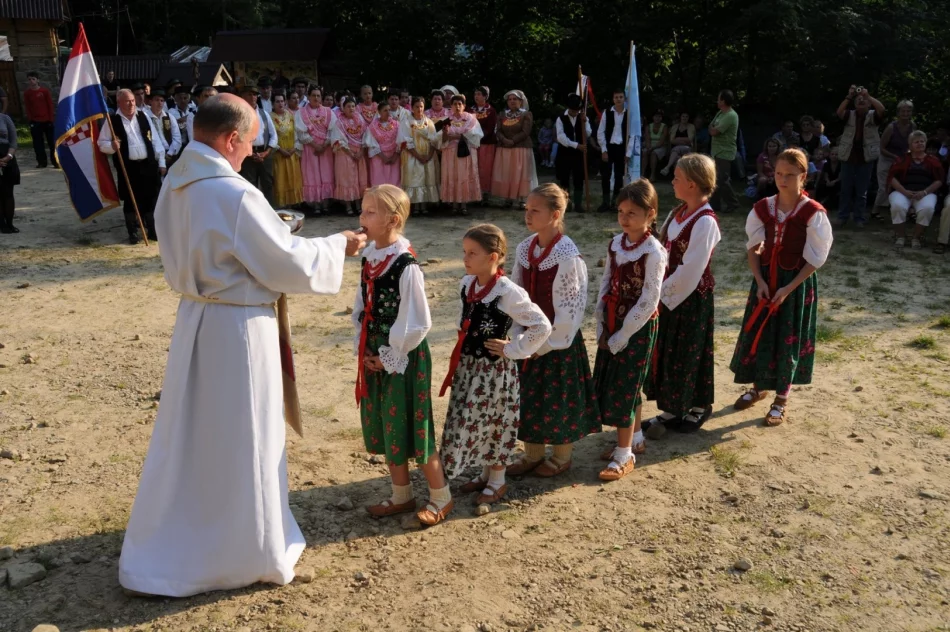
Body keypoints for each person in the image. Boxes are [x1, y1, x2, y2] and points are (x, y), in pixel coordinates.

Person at [118, 94, 366, 598]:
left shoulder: (176, 180)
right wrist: (337, 244)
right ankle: (247, 553)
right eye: (250, 143)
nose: (250, 153)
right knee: (245, 437)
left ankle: (180, 536)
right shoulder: (233, 194)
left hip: (196, 316)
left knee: (196, 436)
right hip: (238, 328)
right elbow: (286, 265)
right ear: (231, 138)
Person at [353, 184, 453, 526]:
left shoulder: (406, 265)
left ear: (392, 220)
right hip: (376, 350)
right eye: (363, 210)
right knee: (386, 420)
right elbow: (361, 307)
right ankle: (401, 494)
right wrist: (364, 347)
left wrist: (390, 355)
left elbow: (417, 321)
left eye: (370, 212)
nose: (361, 217)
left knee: (413, 423)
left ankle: (441, 496)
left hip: (403, 356)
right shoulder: (370, 257)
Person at [441, 224, 551, 503]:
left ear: (493, 257)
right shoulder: (467, 284)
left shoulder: (508, 292)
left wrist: (514, 348)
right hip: (470, 369)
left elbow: (541, 325)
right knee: (474, 420)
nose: (465, 259)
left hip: (495, 373)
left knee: (495, 422)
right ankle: (484, 473)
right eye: (464, 252)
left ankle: (498, 480)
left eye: (472, 253)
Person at [731, 148, 833, 426]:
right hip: (765, 281)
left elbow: (816, 258)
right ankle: (758, 387)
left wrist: (789, 289)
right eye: (778, 173)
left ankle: (782, 397)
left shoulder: (813, 213)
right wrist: (760, 281)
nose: (783, 179)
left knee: (787, 337)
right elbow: (753, 247)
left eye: (790, 174)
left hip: (794, 284)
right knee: (761, 335)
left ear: (804, 176)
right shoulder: (763, 208)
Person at [505, 184, 600, 478]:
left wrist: (543, 344)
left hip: (558, 342)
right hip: (529, 337)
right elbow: (515, 295)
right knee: (530, 397)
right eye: (527, 209)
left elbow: (570, 312)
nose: (528, 215)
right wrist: (519, 334)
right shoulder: (525, 248)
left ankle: (562, 456)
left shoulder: (567, 256)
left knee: (559, 397)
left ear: (555, 214)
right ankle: (533, 453)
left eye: (535, 210)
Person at [593, 179, 666, 479]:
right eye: (621, 211)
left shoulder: (654, 251)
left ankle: (624, 455)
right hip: (613, 322)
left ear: (650, 214)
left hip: (636, 327)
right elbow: (606, 283)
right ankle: (635, 438)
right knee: (620, 382)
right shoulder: (615, 244)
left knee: (626, 386)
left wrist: (624, 333)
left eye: (632, 212)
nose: (624, 218)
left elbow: (649, 298)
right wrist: (600, 320)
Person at [644, 154, 720, 433]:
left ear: (691, 183)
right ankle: (673, 408)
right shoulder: (678, 212)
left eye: (677, 177)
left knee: (691, 352)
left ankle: (699, 406)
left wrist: (659, 296)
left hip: (689, 299)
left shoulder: (705, 221)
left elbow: (692, 270)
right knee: (672, 352)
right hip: (669, 295)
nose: (672, 181)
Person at [98, 89, 166, 244]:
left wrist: (161, 162)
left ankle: (152, 230)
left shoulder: (144, 117)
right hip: (128, 168)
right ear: (119, 103)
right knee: (130, 200)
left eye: (133, 101)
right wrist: (112, 146)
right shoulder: (112, 121)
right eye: (127, 101)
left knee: (151, 198)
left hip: (148, 165)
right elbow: (101, 144)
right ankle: (133, 232)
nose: (131, 104)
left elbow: (155, 141)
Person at [835, 85, 885, 228]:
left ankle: (859, 218)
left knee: (862, 191)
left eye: (864, 100)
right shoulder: (849, 115)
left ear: (869, 103)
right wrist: (849, 95)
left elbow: (881, 109)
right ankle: (842, 217)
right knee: (845, 189)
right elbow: (839, 112)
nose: (861, 101)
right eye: (858, 100)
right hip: (848, 156)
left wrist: (868, 95)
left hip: (866, 157)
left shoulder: (873, 116)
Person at [887, 130, 944, 249]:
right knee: (897, 205)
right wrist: (904, 192)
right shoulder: (901, 159)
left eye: (922, 141)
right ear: (910, 145)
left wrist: (924, 192)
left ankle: (916, 238)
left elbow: (939, 180)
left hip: (925, 192)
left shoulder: (933, 161)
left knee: (927, 208)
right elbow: (892, 178)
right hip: (903, 191)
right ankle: (901, 236)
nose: (920, 144)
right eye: (916, 142)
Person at [491, 89, 537, 209]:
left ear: (521, 101)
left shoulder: (526, 114)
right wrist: (504, 140)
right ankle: (508, 198)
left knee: (521, 173)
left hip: (521, 148)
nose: (512, 101)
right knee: (507, 173)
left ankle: (522, 199)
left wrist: (513, 140)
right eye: (510, 99)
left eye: (515, 99)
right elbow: (498, 130)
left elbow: (526, 131)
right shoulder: (502, 114)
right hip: (505, 148)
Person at [438, 94, 483, 215]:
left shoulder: (470, 118)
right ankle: (453, 204)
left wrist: (455, 136)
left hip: (465, 152)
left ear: (464, 106)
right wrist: (446, 134)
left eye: (460, 104)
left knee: (464, 176)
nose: (457, 106)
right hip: (450, 152)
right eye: (454, 104)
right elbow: (439, 137)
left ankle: (464, 204)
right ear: (451, 106)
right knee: (452, 176)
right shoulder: (446, 119)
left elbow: (474, 135)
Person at [295, 85, 335, 214]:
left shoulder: (328, 112)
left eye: (318, 96)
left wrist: (324, 145)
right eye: (313, 95)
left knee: (326, 174)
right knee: (312, 175)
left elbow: (333, 130)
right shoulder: (301, 112)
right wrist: (315, 145)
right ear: (309, 96)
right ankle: (316, 205)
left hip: (326, 149)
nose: (316, 98)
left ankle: (326, 204)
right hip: (310, 149)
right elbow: (301, 133)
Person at [397, 96, 440, 215]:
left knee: (427, 177)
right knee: (414, 179)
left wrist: (429, 155)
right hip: (412, 155)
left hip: (427, 154)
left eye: (421, 106)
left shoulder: (429, 122)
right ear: (412, 107)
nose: (419, 109)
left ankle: (424, 205)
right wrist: (418, 156)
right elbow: (405, 142)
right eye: (417, 107)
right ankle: (415, 206)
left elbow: (434, 140)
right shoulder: (406, 122)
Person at [873, 100, 916, 219]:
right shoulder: (891, 127)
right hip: (887, 158)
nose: (906, 114)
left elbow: (912, 144)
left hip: (902, 160)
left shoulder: (912, 126)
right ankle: (875, 210)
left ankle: (909, 210)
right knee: (883, 186)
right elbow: (881, 148)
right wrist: (894, 157)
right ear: (898, 113)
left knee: (906, 184)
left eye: (908, 111)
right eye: (903, 111)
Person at [238, 85, 278, 205]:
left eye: (254, 94)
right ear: (242, 97)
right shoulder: (238, 115)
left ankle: (271, 213)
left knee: (268, 184)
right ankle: (253, 214)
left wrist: (266, 153)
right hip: (247, 155)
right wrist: (249, 153)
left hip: (264, 153)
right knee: (249, 186)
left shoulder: (264, 114)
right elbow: (237, 137)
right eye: (249, 94)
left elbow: (273, 135)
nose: (252, 97)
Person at [330, 96, 369, 216]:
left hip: (359, 153)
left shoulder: (361, 120)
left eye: (353, 106)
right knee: (347, 179)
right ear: (343, 108)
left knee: (359, 178)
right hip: (345, 153)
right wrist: (351, 153)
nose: (351, 108)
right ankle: (348, 206)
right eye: (348, 106)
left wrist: (361, 151)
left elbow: (366, 136)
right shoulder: (339, 122)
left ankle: (358, 204)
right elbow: (338, 140)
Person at [555, 93, 591, 212]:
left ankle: (578, 204)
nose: (575, 113)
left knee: (579, 177)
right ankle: (565, 203)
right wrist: (576, 145)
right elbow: (561, 137)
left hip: (580, 153)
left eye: (577, 110)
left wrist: (585, 122)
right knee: (564, 178)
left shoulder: (583, 117)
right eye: (573, 110)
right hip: (565, 151)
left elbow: (588, 133)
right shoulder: (561, 118)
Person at [597, 89, 629, 211]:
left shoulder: (628, 114)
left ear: (624, 99)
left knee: (619, 176)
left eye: (621, 97)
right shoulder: (607, 113)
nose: (618, 99)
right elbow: (600, 132)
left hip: (621, 148)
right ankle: (605, 202)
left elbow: (632, 134)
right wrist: (604, 150)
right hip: (609, 147)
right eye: (616, 97)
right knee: (606, 175)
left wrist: (628, 152)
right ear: (613, 99)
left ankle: (616, 203)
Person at [708, 90, 739, 214]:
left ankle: (733, 203)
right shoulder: (720, 113)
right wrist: (712, 129)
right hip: (716, 151)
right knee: (715, 179)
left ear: (724, 101)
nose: (717, 101)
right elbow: (711, 127)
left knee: (723, 179)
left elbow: (714, 131)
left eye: (719, 99)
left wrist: (713, 130)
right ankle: (715, 205)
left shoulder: (731, 115)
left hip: (725, 151)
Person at [270, 93, 303, 207]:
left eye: (282, 101)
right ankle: (281, 207)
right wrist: (280, 149)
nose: (280, 104)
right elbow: (270, 136)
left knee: (292, 179)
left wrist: (294, 148)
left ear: (285, 102)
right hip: (279, 154)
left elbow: (297, 134)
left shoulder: (290, 116)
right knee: (280, 180)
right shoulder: (270, 117)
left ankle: (292, 206)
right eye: (277, 101)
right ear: (273, 104)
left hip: (291, 152)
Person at [23, 71, 57, 169]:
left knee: (52, 143)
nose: (31, 81)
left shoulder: (44, 91)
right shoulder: (27, 93)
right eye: (29, 79)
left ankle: (55, 161)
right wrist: (30, 120)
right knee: (38, 143)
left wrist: (51, 119)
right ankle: (42, 162)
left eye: (33, 79)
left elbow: (50, 105)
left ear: (38, 80)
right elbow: (28, 107)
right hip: (35, 121)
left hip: (47, 120)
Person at [364, 102, 401, 187]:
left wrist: (395, 156)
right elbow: (372, 144)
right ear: (379, 112)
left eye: (389, 110)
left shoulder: (396, 124)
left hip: (394, 157)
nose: (388, 113)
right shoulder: (372, 126)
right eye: (385, 110)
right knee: (379, 183)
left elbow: (400, 140)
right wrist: (383, 157)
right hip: (378, 157)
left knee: (394, 182)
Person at [471, 86, 497, 200]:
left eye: (479, 94)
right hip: (472, 143)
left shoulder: (491, 110)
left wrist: (479, 137)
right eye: (475, 94)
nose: (476, 96)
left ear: (485, 96)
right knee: (474, 168)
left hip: (487, 143)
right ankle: (474, 194)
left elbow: (490, 127)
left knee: (485, 169)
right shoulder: (470, 109)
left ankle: (485, 195)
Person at [146, 90, 181, 169]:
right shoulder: (145, 117)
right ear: (150, 101)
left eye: (162, 100)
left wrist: (169, 154)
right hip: (153, 155)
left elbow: (177, 138)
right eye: (157, 100)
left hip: (170, 154)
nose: (160, 103)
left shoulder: (169, 117)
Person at [0, 110, 21, 233]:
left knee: (8, 193)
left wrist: (8, 156)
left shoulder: (5, 118)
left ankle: (10, 223)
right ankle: (1, 224)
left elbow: (13, 141)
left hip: (7, 158)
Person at [660, 112, 695, 177]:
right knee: (677, 159)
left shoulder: (691, 126)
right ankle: (677, 178)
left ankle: (667, 167)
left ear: (688, 118)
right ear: (680, 118)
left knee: (676, 149)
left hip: (687, 149)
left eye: (686, 116)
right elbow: (672, 140)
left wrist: (678, 139)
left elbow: (690, 139)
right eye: (683, 116)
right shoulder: (675, 127)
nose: (684, 118)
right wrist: (683, 141)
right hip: (675, 150)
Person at [643, 110, 668, 181]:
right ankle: (642, 173)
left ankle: (652, 175)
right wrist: (648, 148)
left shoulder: (664, 127)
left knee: (654, 153)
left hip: (661, 146)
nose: (657, 118)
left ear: (661, 118)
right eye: (656, 116)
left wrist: (652, 148)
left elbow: (662, 141)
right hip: (649, 145)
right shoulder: (648, 126)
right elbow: (647, 139)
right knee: (644, 152)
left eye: (659, 117)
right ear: (653, 117)